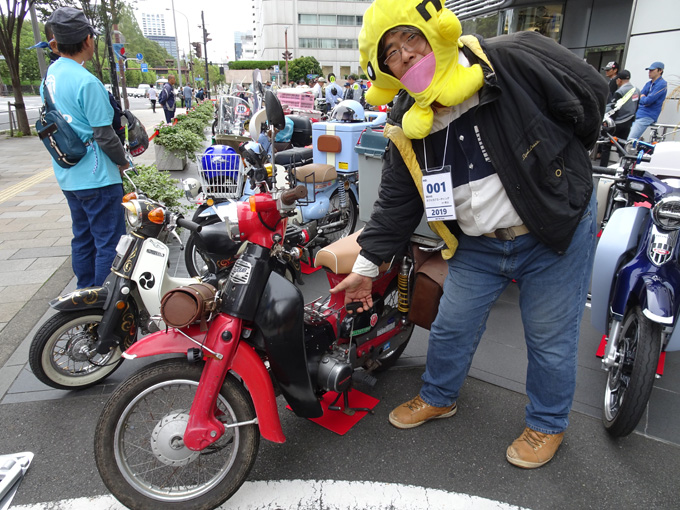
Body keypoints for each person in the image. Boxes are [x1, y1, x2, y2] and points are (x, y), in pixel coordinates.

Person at [332, 0, 607, 469]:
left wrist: (559, 171)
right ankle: (439, 396)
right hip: (477, 244)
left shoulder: (511, 56)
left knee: (549, 339)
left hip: (551, 233)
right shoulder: (406, 122)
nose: (406, 56)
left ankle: (546, 423)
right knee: (452, 326)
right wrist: (364, 267)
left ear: (431, 32)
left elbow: (589, 94)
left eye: (409, 39)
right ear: (387, 72)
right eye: (391, 54)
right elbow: (397, 204)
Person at [43, 7, 128, 289]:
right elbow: (104, 136)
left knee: (83, 237)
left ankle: (84, 296)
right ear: (87, 40)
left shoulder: (51, 74)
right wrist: (124, 161)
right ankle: (104, 308)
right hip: (97, 176)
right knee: (109, 242)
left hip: (69, 174)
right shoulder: (86, 81)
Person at [599, 69, 639, 166]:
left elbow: (614, 108)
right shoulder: (636, 90)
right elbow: (637, 106)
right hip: (628, 122)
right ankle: (624, 167)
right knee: (622, 147)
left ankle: (602, 170)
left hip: (617, 123)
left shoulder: (620, 91)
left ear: (619, 80)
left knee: (606, 146)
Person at [628, 61, 667, 140]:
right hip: (637, 114)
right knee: (622, 137)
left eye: (652, 70)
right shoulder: (648, 84)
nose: (649, 72)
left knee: (630, 139)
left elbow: (648, 101)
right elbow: (638, 97)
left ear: (660, 71)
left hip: (647, 116)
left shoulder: (662, 84)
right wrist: (643, 97)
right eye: (649, 70)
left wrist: (642, 97)